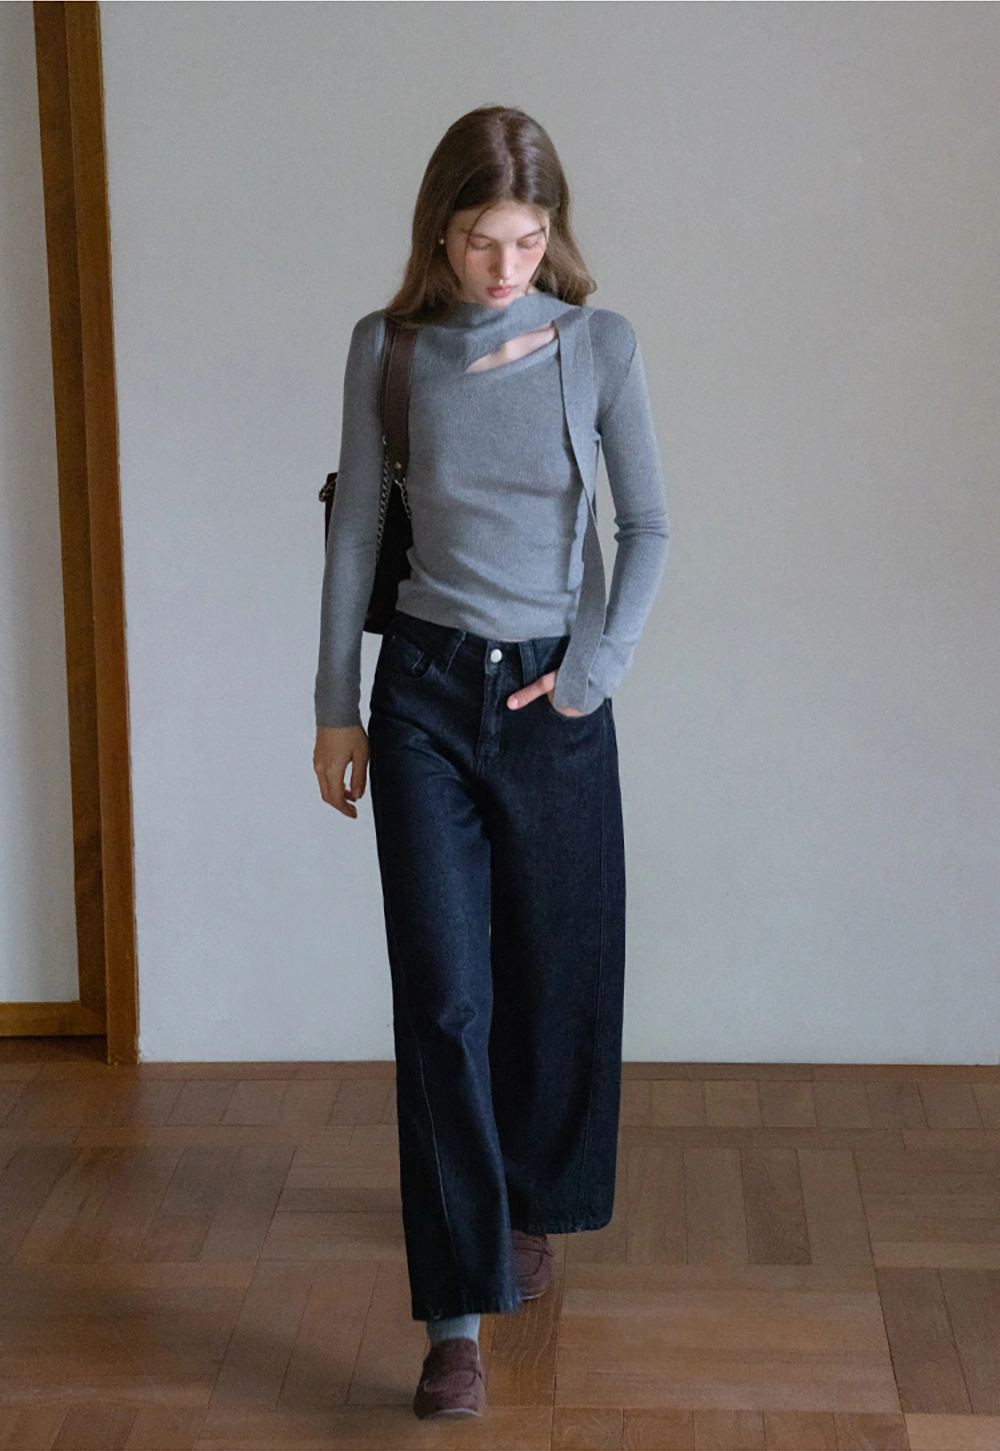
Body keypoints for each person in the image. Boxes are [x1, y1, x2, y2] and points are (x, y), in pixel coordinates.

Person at [313, 104, 669, 1420]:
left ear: (551, 232)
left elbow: (650, 525)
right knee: (443, 1002)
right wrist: (334, 706)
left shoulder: (599, 347)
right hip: (420, 698)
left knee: (555, 979)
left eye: (527, 238)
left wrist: (592, 674)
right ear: (438, 233)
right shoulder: (390, 350)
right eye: (479, 240)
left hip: (550, 702)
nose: (505, 265)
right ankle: (455, 1319)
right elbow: (358, 536)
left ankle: (527, 1198)